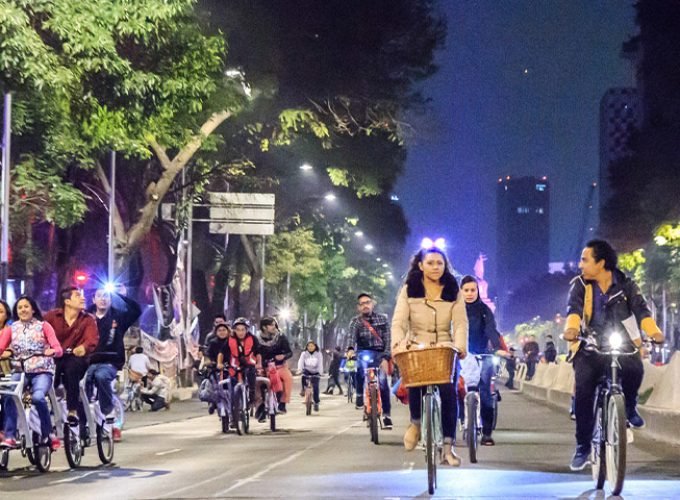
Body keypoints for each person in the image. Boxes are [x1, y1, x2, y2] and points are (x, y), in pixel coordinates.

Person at [563, 239, 664, 471]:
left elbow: (642, 310)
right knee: (584, 391)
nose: (580, 265)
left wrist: (654, 332)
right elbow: (574, 310)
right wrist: (571, 329)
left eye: (585, 260)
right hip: (589, 347)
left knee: (635, 368)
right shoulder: (579, 285)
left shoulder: (627, 285)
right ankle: (583, 446)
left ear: (601, 263)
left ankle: (628, 407)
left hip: (621, 344)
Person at [392, 242, 468, 467]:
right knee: (414, 380)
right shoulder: (409, 288)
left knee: (449, 392)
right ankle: (415, 423)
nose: (436, 267)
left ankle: (448, 448)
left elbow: (461, 324)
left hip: (445, 346)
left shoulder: (454, 289)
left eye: (440, 263)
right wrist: (398, 344)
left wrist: (460, 346)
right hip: (417, 343)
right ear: (420, 265)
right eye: (430, 263)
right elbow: (399, 321)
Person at [0, 296, 63, 449]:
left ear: (33, 309)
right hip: (20, 370)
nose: (23, 310)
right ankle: (9, 436)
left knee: (38, 397)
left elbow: (58, 349)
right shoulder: (11, 329)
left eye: (26, 306)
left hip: (42, 370)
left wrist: (52, 351)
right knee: (9, 395)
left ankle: (48, 433)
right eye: (20, 307)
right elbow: (1, 347)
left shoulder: (44, 326)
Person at [85, 285, 141, 440]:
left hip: (110, 362)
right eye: (100, 296)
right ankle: (82, 421)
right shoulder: (86, 318)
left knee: (102, 376)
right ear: (93, 299)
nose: (103, 299)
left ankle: (108, 414)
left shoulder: (118, 317)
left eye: (106, 296)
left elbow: (136, 310)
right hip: (88, 362)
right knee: (82, 382)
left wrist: (121, 296)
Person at [459, 275, 505, 446]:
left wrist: (496, 348)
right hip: (461, 355)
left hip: (483, 354)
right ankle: (460, 420)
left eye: (473, 290)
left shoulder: (485, 310)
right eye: (466, 290)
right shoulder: (455, 310)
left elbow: (491, 330)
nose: (470, 293)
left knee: (486, 391)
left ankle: (487, 432)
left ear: (478, 291)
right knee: (455, 389)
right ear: (461, 291)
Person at [44, 287, 99, 425]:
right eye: (77, 296)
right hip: (55, 358)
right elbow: (40, 333)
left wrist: (83, 347)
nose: (83, 298)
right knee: (47, 374)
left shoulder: (88, 319)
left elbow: (91, 339)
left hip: (76, 359)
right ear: (67, 301)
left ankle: (72, 410)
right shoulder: (51, 317)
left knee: (71, 368)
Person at [348, 293, 392, 428]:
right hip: (363, 353)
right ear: (358, 307)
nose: (365, 305)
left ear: (373, 304)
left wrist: (386, 357)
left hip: (380, 354)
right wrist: (350, 350)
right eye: (362, 304)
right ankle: (360, 395)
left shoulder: (382, 320)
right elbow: (351, 338)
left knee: (383, 383)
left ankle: (387, 416)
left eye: (367, 302)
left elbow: (388, 339)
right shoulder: (355, 322)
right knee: (359, 369)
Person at [222, 317, 261, 410]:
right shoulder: (229, 340)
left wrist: (258, 363)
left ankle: (251, 397)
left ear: (247, 330)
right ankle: (233, 414)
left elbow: (258, 352)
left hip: (249, 364)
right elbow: (222, 353)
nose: (241, 332)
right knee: (232, 388)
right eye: (238, 330)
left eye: (243, 330)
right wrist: (220, 363)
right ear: (234, 330)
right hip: (234, 366)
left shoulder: (253, 339)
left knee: (251, 375)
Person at [257, 317, 293, 413]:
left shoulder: (281, 337)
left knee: (288, 378)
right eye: (271, 325)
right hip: (265, 367)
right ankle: (261, 405)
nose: (274, 327)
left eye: (274, 325)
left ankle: (282, 403)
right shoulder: (257, 339)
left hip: (280, 366)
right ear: (264, 327)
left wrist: (283, 356)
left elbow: (289, 352)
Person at [297, 341, 322, 411]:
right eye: (309, 346)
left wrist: (320, 372)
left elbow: (320, 363)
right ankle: (303, 389)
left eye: (312, 346)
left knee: (316, 387)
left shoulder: (318, 354)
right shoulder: (304, 354)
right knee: (303, 377)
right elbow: (301, 362)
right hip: (307, 371)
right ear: (307, 347)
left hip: (316, 372)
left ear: (315, 347)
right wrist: (300, 369)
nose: (310, 347)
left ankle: (316, 402)